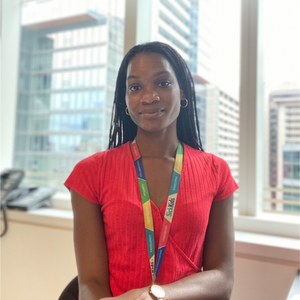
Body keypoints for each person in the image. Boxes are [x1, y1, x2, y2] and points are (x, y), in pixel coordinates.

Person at [65, 41, 238, 300]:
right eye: (135, 87)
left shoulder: (216, 171)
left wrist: (153, 296)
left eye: (163, 83)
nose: (149, 97)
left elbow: (223, 278)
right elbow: (91, 282)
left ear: (183, 92)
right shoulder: (91, 173)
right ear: (125, 100)